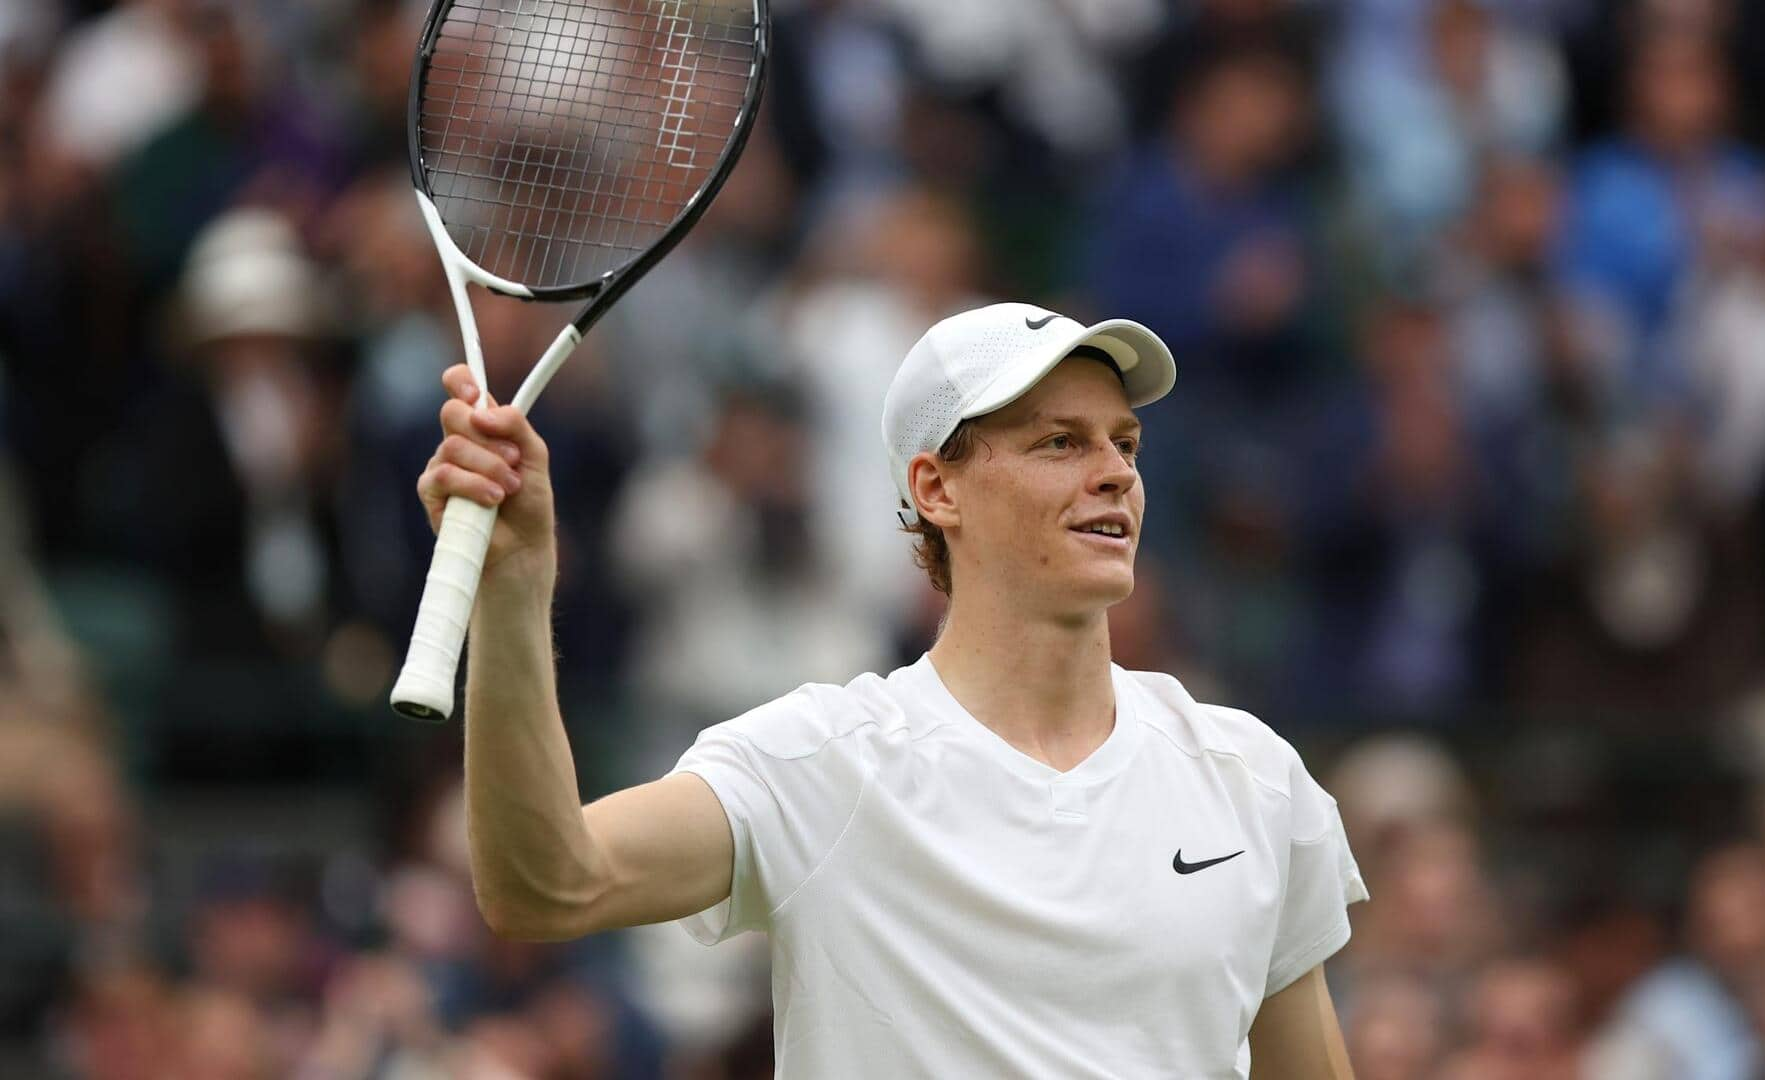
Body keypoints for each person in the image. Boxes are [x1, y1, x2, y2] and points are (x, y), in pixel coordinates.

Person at [414, 301, 1369, 1076]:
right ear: (938, 488)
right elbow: (546, 885)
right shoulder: (818, 763)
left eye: (1126, 444)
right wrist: (512, 587)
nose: (1114, 473)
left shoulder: (1254, 777)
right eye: (1059, 444)